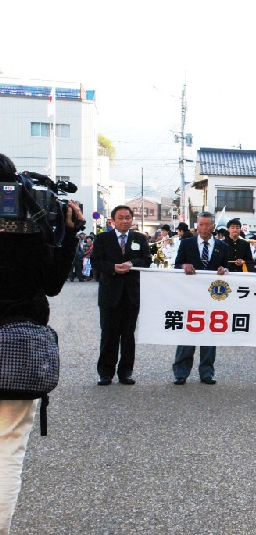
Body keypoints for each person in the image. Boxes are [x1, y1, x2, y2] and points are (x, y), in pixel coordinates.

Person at [0, 153, 85, 532]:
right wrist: (70, 233)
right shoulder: (33, 226)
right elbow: (51, 285)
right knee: (8, 449)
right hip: (18, 348)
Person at [92, 205, 152, 386]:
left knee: (128, 335)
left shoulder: (139, 238)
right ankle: (105, 372)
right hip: (110, 294)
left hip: (131, 294)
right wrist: (112, 268)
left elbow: (147, 259)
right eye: (121, 218)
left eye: (128, 217)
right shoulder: (103, 238)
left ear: (132, 219)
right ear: (113, 221)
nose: (125, 221)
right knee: (108, 334)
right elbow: (96, 261)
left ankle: (125, 372)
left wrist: (132, 263)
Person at [172, 211, 229, 385]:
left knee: (209, 335)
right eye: (201, 224)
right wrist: (184, 265)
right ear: (197, 226)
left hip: (213, 297)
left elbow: (227, 268)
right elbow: (177, 264)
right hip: (189, 296)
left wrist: (224, 270)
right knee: (187, 333)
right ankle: (180, 373)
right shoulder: (186, 243)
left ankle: (207, 373)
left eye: (207, 224)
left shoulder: (222, 246)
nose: (204, 228)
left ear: (213, 226)